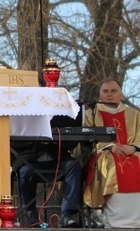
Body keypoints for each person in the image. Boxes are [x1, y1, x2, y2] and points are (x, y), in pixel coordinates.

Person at [83, 78, 140, 228]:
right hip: (104, 153)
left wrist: (133, 147)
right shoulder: (91, 114)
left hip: (132, 152)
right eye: (105, 91)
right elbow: (89, 138)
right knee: (112, 164)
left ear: (121, 94)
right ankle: (113, 219)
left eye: (113, 91)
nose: (109, 94)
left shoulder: (134, 114)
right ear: (100, 96)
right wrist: (110, 147)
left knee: (136, 163)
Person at [12, 114, 82, 228]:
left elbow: (72, 142)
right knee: (24, 172)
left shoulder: (60, 112)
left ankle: (66, 214)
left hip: (57, 158)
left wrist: (53, 140)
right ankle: (31, 214)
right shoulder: (25, 113)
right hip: (31, 159)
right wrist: (38, 140)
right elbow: (14, 141)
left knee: (73, 166)